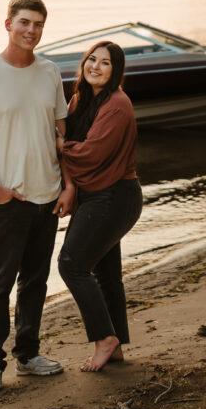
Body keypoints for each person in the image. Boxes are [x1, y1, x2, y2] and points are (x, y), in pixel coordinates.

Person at [0, 0, 75, 393]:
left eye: (38, 24)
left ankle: (27, 356)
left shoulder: (50, 73)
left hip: (47, 198)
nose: (31, 31)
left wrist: (68, 186)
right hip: (8, 202)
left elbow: (64, 138)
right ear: (8, 24)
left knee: (36, 283)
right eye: (24, 22)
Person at [57, 40, 142, 372]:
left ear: (116, 70)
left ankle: (104, 338)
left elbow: (91, 154)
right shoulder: (81, 99)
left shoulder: (117, 105)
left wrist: (59, 144)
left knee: (71, 265)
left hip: (116, 197)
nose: (95, 66)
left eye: (105, 63)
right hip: (97, 195)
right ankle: (116, 344)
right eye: (91, 59)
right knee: (106, 274)